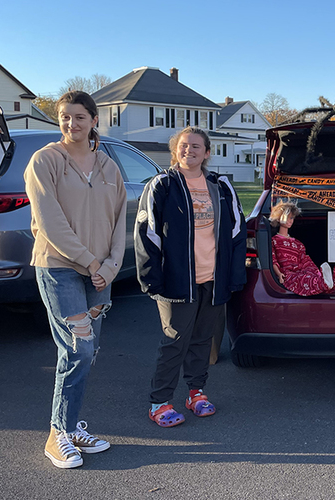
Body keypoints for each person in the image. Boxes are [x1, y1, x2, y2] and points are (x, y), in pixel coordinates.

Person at [25, 91, 126, 468]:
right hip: (59, 267)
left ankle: (69, 425)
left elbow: (119, 221)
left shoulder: (109, 167)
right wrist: (90, 262)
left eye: (80, 117)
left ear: (94, 120)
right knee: (77, 349)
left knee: (88, 353)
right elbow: (50, 222)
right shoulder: (44, 161)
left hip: (101, 272)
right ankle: (58, 434)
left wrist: (112, 265)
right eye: (65, 117)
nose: (72, 123)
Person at [135, 127, 247, 427]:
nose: (189, 151)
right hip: (177, 281)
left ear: (207, 152)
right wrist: (150, 277)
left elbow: (237, 233)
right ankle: (160, 401)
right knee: (175, 341)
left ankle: (196, 393)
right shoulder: (163, 185)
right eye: (184, 146)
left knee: (202, 341)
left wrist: (234, 276)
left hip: (213, 278)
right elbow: (147, 233)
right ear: (176, 151)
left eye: (196, 146)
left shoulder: (221, 186)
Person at [270, 201, 335, 295]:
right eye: (288, 217)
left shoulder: (298, 244)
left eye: (292, 218)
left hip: (300, 271)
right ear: (278, 218)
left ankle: (332, 283)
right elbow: (273, 260)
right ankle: (327, 283)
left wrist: (315, 272)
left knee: (310, 276)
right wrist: (279, 274)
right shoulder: (274, 241)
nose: (290, 221)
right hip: (288, 274)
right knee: (304, 280)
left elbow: (305, 261)